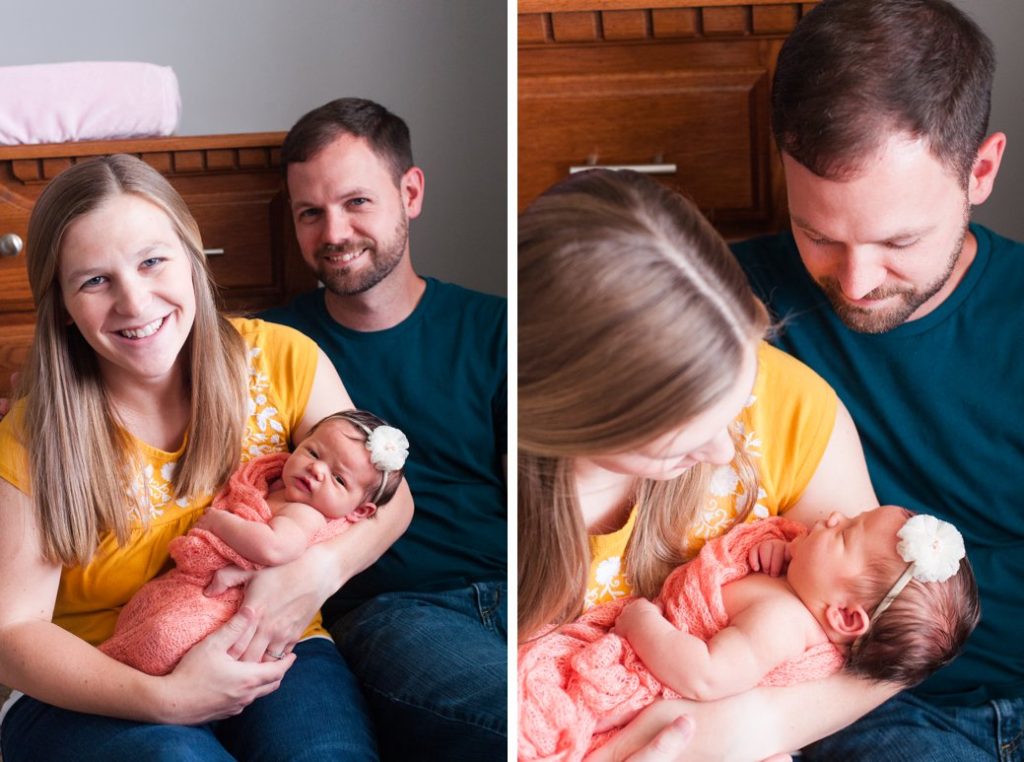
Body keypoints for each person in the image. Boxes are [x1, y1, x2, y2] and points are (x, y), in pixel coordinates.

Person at [0, 154, 412, 761]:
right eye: (94, 280)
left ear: (192, 260)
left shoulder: (281, 359)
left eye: (152, 261)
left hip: (268, 644)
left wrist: (310, 576)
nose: (135, 304)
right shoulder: (34, 436)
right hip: (95, 681)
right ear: (61, 303)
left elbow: (390, 498)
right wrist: (164, 699)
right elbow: (14, 634)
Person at [725, 0, 1024, 758]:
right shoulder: (729, 307)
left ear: (981, 169)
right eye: (818, 234)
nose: (856, 283)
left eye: (900, 241)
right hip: (882, 712)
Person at [518, 167, 890, 761]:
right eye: (684, 435)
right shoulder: (505, 511)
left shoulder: (788, 405)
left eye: (736, 398)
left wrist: (746, 731)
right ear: (576, 419)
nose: (725, 450)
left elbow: (888, 641)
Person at [255, 97, 507, 759]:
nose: (333, 232)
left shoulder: (498, 329)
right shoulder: (275, 347)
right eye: (311, 213)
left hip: (523, 592)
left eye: (356, 202)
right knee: (516, 719)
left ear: (411, 192)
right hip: (396, 613)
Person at [519, 506, 979, 761]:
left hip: (645, 683)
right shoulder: (799, 593)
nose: (835, 516)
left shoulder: (780, 624)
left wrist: (640, 621)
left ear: (844, 616)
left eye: (845, 535)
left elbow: (706, 675)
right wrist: (787, 554)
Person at [99, 409, 409, 676]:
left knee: (164, 637)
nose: (317, 470)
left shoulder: (306, 513)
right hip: (193, 586)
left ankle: (141, 667)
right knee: (149, 613)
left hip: (226, 602)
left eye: (339, 480)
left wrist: (220, 521)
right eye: (313, 453)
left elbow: (275, 548)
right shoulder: (274, 486)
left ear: (361, 510)